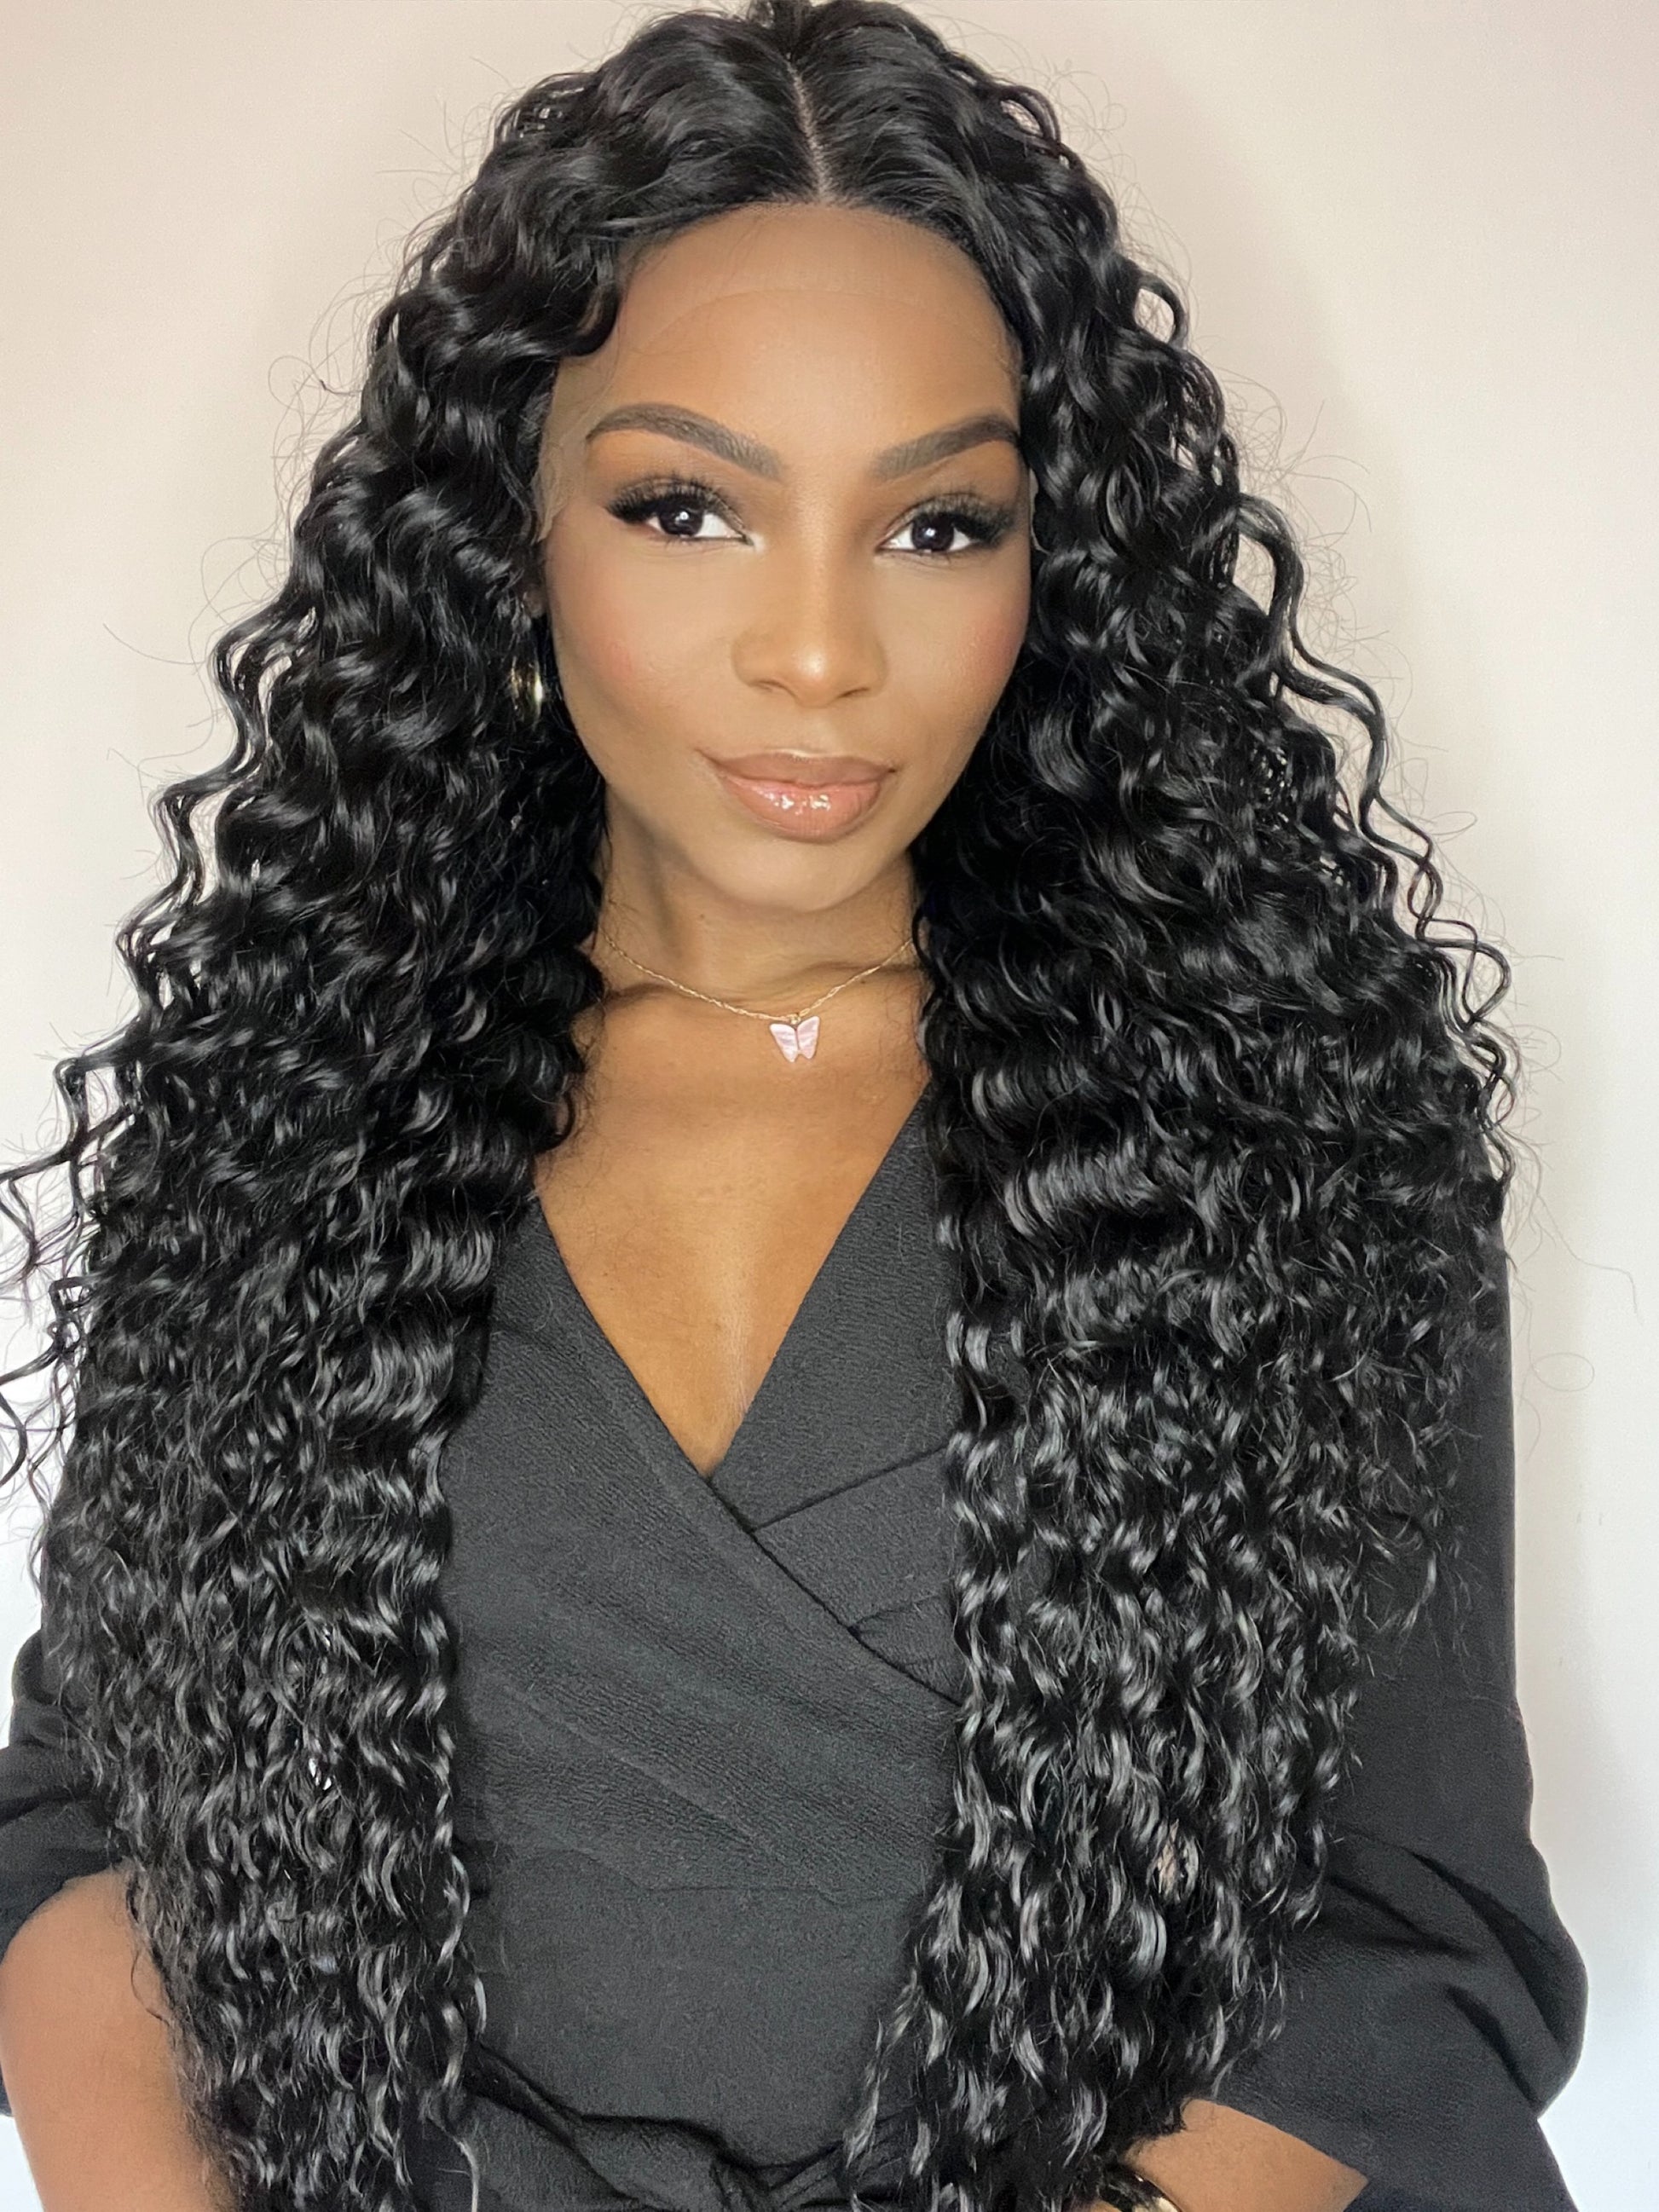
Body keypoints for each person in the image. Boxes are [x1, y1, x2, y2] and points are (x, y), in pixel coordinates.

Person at [0, 2, 1587, 2209]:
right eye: (688, 508)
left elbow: (1405, 1938)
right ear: (515, 535)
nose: (822, 651)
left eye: (935, 524)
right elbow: (93, 1818)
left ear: (1048, 564)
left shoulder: (1284, 1133)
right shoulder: (298, 1125)